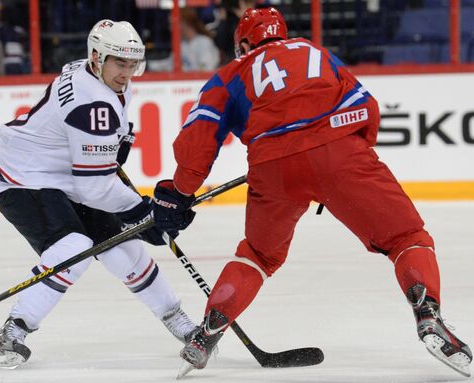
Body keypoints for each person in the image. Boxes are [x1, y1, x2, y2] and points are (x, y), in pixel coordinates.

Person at [152, 7, 472, 378]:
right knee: (406, 237)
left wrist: (180, 190)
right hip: (339, 154)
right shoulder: (314, 52)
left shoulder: (230, 73)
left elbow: (199, 140)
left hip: (273, 168)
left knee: (257, 255)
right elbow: (366, 107)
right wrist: (346, 157)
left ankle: (205, 334)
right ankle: (428, 314)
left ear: (243, 42)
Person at [0, 19, 197, 369]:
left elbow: (98, 155)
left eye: (132, 64)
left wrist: (117, 145)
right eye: (119, 63)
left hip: (64, 170)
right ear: (97, 57)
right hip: (25, 177)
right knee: (75, 248)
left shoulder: (93, 72)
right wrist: (144, 212)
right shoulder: (92, 102)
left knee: (121, 245)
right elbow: (94, 187)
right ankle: (13, 331)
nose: (126, 73)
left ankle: (181, 323)